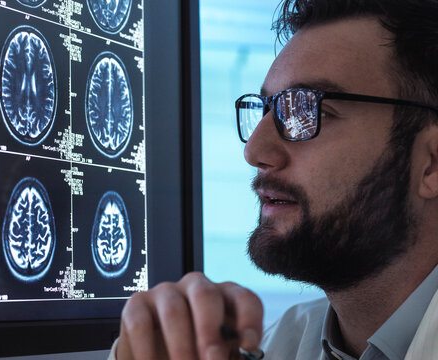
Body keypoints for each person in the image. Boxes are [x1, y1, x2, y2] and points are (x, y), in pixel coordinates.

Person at [111, 0, 438, 359]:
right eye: (268, 109)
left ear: (431, 164)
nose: (254, 151)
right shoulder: (282, 341)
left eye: (307, 110)